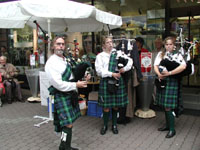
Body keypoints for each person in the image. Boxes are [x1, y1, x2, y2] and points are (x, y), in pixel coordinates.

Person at [45, 36, 90, 150]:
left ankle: (64, 146)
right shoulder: (51, 63)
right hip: (61, 94)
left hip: (70, 93)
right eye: (58, 44)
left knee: (69, 123)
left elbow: (74, 72)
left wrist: (85, 75)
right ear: (53, 46)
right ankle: (65, 147)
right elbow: (58, 84)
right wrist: (76, 85)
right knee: (67, 123)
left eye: (63, 44)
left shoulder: (66, 59)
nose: (61, 46)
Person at [95, 36, 133, 135]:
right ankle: (105, 125)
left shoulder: (118, 53)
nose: (110, 44)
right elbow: (99, 71)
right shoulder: (100, 56)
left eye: (111, 42)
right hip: (106, 82)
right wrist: (111, 74)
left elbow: (130, 61)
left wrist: (124, 69)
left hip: (117, 82)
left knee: (116, 105)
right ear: (103, 45)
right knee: (106, 106)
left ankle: (114, 125)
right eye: (107, 42)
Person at [154, 36, 186, 138]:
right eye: (166, 44)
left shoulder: (178, 55)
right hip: (163, 80)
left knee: (169, 106)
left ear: (174, 46)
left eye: (170, 44)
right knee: (164, 105)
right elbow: (155, 66)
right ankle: (168, 126)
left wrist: (170, 73)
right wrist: (159, 74)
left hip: (172, 81)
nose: (168, 46)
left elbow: (183, 66)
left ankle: (172, 129)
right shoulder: (161, 54)